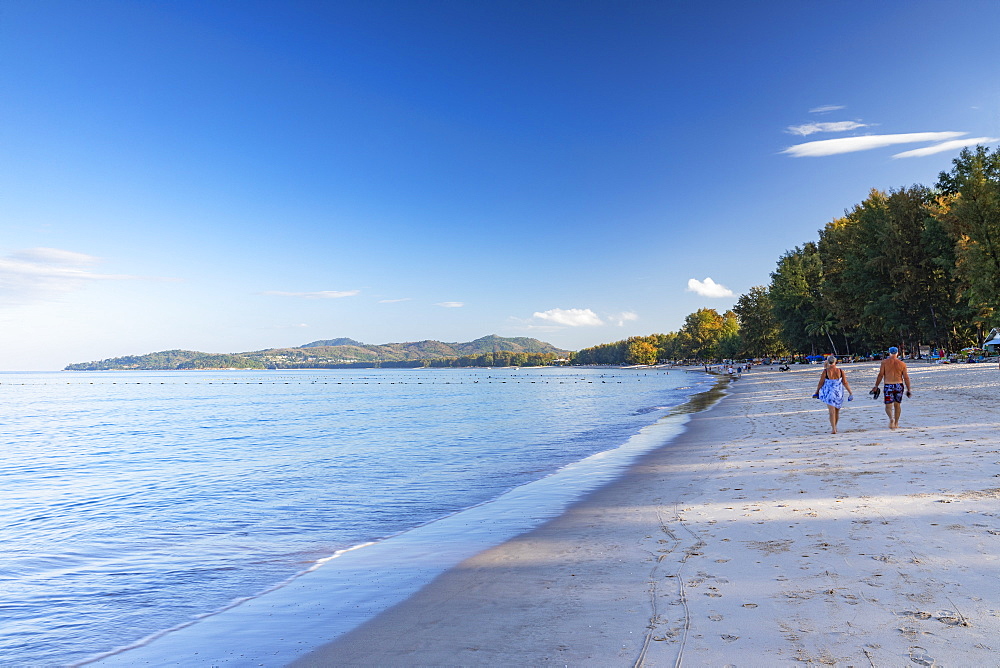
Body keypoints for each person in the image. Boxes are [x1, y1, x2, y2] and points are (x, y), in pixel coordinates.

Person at [872, 346, 912, 429]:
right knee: (897, 405)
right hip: (899, 385)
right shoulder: (902, 364)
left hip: (888, 385)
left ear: (889, 353)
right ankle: (896, 423)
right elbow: (906, 377)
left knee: (888, 405)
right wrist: (909, 389)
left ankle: (891, 419)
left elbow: (880, 375)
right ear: (897, 353)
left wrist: (876, 386)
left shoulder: (884, 363)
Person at [813, 355, 853, 434]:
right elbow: (845, 382)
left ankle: (833, 429)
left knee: (831, 412)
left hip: (829, 393)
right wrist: (850, 392)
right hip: (838, 393)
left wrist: (817, 391)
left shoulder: (826, 371)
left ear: (828, 362)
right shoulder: (840, 371)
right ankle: (836, 426)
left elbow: (821, 383)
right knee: (837, 411)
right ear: (836, 362)